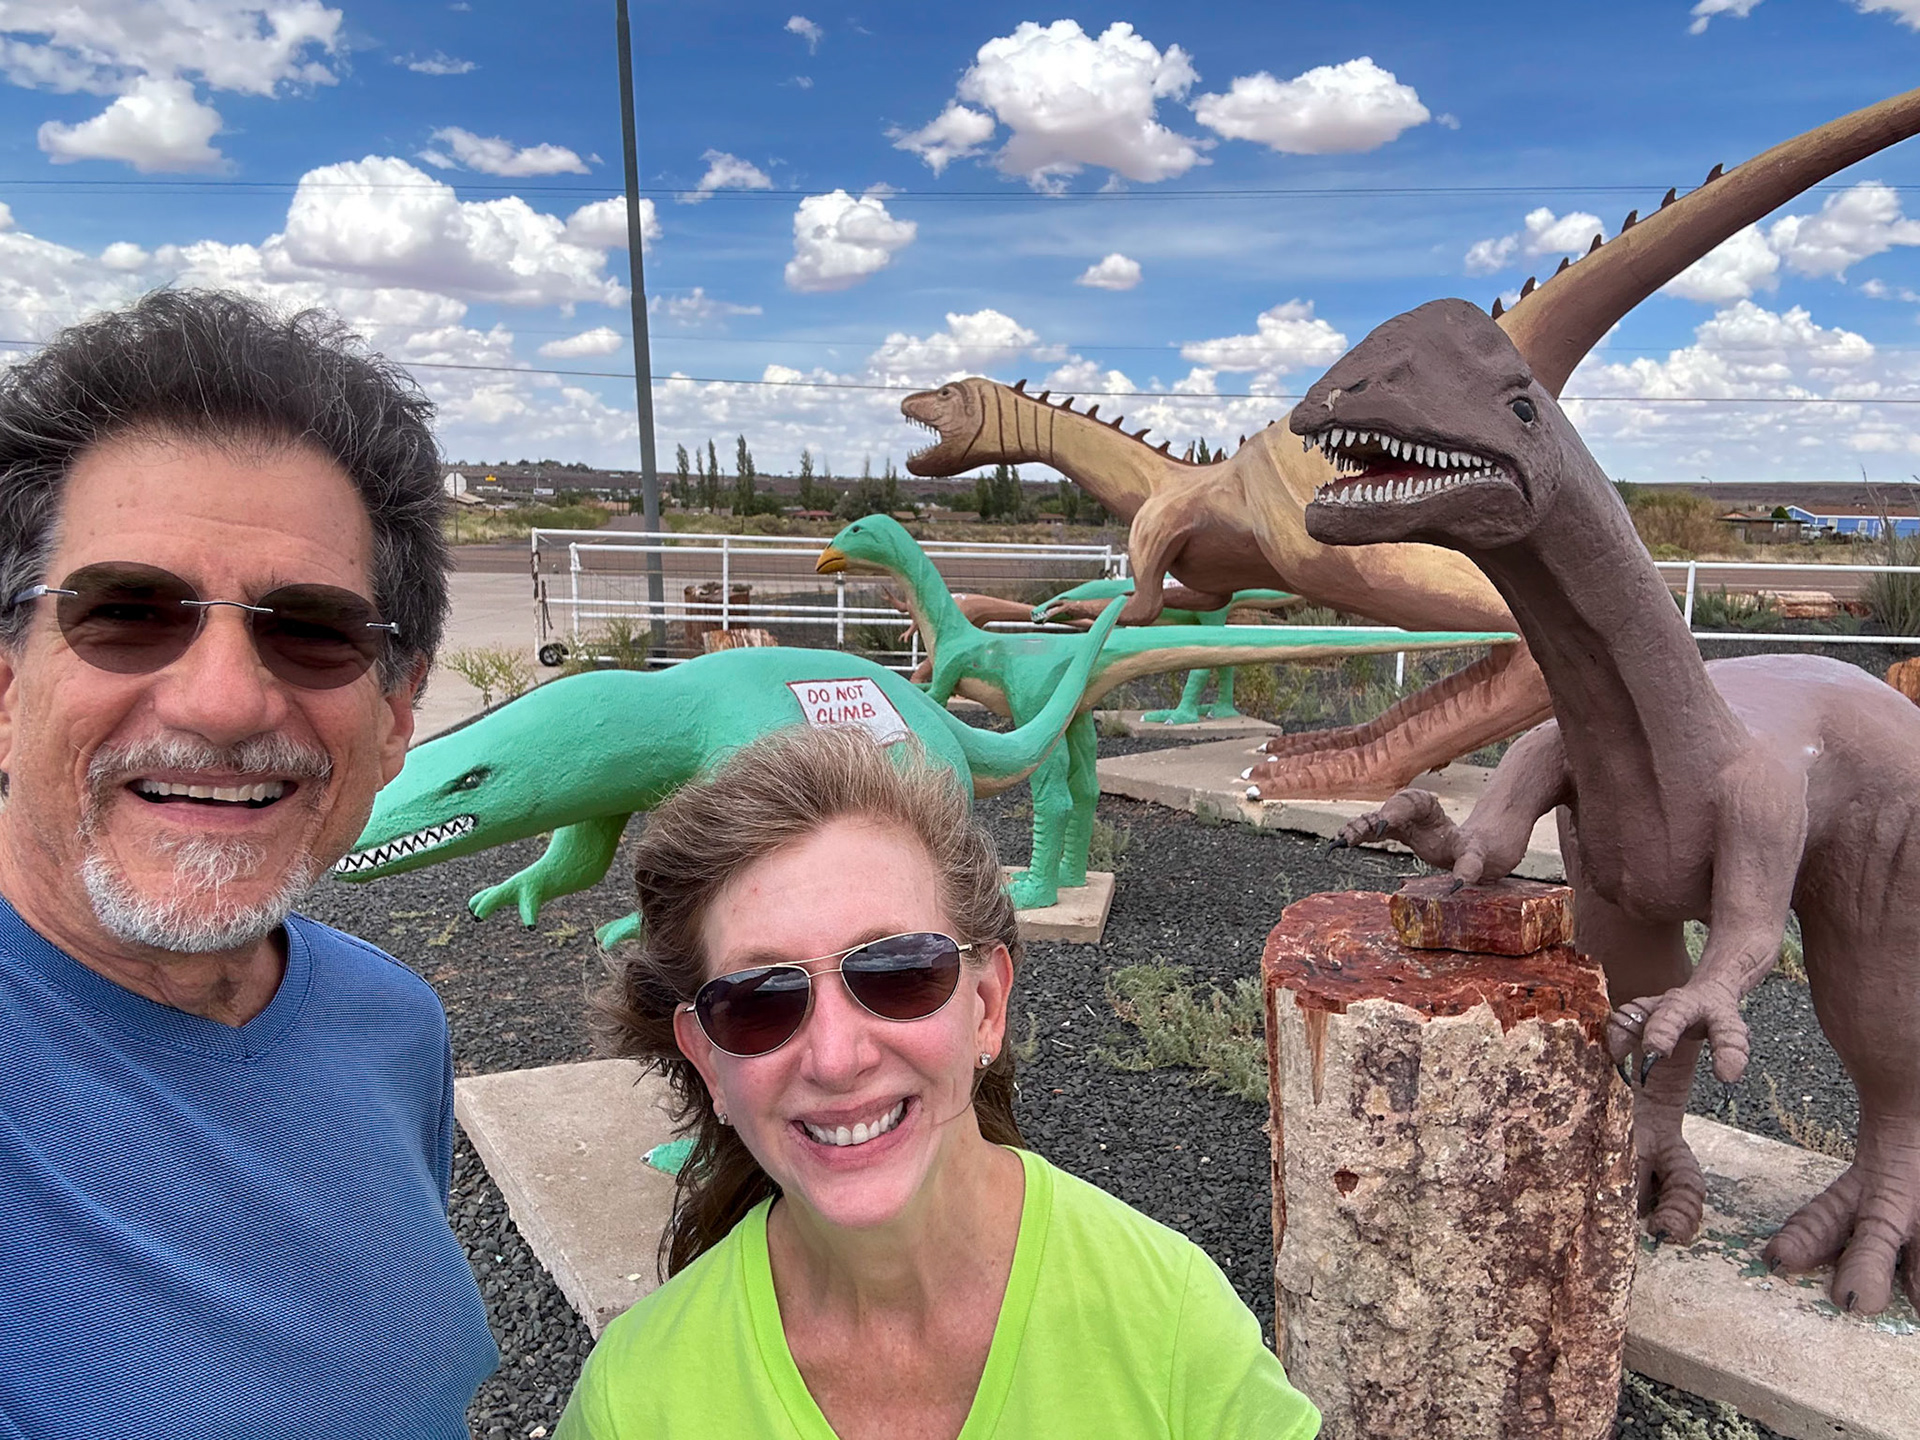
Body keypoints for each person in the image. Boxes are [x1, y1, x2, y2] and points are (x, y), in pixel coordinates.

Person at [0, 290, 498, 1438]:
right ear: (8, 679)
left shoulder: (389, 1021)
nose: (224, 701)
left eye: (313, 628)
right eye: (125, 612)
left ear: (397, 713)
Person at [557, 725, 1320, 1439]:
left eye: (896, 973)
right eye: (760, 1002)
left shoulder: (1174, 1333)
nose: (835, 1057)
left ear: (986, 1006)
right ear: (707, 1062)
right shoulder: (635, 1401)